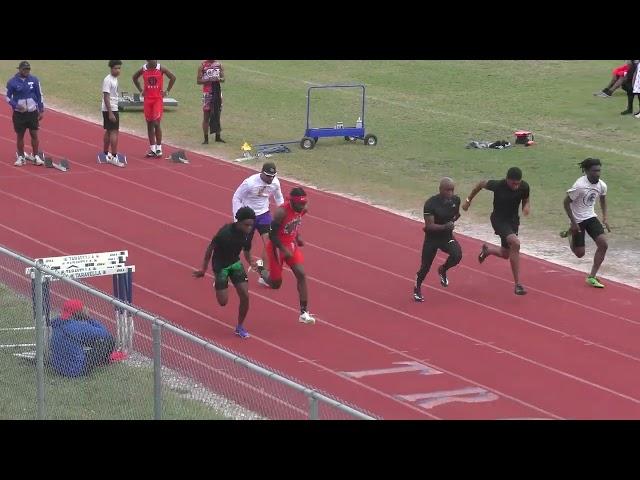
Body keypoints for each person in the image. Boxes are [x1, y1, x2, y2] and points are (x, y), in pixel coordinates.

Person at [462, 167, 531, 295]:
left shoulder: (524, 186)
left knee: (506, 254)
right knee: (515, 243)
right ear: (507, 180)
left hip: (513, 221)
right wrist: (468, 200)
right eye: (513, 183)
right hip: (499, 220)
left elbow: (525, 200)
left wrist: (526, 207)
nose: (516, 186)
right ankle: (518, 285)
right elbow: (481, 184)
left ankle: (488, 251)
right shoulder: (498, 185)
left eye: (518, 183)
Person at [193, 207, 257, 338]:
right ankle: (218, 281)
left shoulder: (248, 233)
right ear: (238, 222)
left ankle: (239, 327)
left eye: (252, 225)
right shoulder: (224, 233)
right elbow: (209, 250)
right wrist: (203, 269)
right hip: (221, 266)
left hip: (235, 263)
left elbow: (247, 251)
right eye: (247, 225)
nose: (250, 228)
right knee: (223, 302)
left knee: (245, 295)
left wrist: (255, 264)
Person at [255, 187, 316, 324]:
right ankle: (261, 269)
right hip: (277, 247)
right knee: (276, 284)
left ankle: (303, 312)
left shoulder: (303, 209)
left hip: (291, 245)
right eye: (299, 203)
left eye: (304, 203)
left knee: (301, 274)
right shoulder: (281, 212)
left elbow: (294, 224)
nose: (302, 206)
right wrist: (282, 248)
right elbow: (272, 235)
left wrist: (298, 237)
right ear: (291, 202)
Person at [561, 158, 609, 288]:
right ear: (587, 171)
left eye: (599, 170)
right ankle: (571, 234)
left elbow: (603, 200)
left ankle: (592, 277)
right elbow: (566, 203)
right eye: (594, 171)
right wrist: (573, 222)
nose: (598, 173)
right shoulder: (579, 186)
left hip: (590, 217)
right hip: (577, 220)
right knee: (579, 254)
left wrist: (605, 217)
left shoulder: (602, 185)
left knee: (603, 244)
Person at [413, 178, 463, 302]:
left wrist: (452, 221)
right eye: (447, 190)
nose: (450, 193)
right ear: (440, 189)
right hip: (432, 238)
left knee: (457, 255)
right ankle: (417, 288)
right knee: (425, 267)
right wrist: (446, 226)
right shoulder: (431, 204)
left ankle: (443, 269)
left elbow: (456, 214)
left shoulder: (456, 200)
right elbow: (429, 225)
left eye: (452, 190)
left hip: (446, 237)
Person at [232, 162, 285, 267]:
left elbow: (278, 197)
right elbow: (237, 197)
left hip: (264, 214)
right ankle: (251, 263)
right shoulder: (249, 183)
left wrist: (283, 212)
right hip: (248, 217)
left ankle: (264, 271)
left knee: (270, 243)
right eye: (268, 176)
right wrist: (237, 218)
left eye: (273, 176)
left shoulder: (275, 183)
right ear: (262, 173)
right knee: (246, 246)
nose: (271, 179)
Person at [49, 299, 116, 377]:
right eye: (83, 308)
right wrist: (89, 318)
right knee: (110, 339)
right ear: (77, 313)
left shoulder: (58, 322)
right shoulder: (79, 326)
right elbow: (105, 333)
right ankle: (103, 361)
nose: (85, 309)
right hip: (76, 370)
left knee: (83, 340)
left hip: (57, 367)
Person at [132, 60, 176, 157]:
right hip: (148, 100)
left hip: (157, 100)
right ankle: (152, 149)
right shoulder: (144, 69)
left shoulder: (160, 68)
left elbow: (173, 77)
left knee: (156, 122)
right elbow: (134, 78)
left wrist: (167, 91)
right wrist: (141, 90)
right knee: (149, 123)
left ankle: (159, 148)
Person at [5, 61, 45, 167]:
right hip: (19, 114)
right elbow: (8, 97)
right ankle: (21, 156)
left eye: (28, 69)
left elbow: (39, 95)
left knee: (34, 134)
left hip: (32, 113)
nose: (26, 71)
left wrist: (41, 110)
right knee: (20, 135)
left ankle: (36, 156)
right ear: (19, 69)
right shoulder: (12, 82)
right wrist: (16, 106)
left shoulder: (34, 80)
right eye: (24, 69)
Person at [197, 60, 225, 144]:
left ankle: (218, 137)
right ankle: (206, 139)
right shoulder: (202, 66)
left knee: (217, 113)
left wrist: (219, 79)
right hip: (207, 93)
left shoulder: (219, 65)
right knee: (206, 116)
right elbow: (198, 81)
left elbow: (223, 79)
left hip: (217, 92)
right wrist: (209, 80)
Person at [101, 60, 123, 164]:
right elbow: (106, 97)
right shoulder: (108, 80)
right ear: (111, 68)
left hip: (112, 108)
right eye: (116, 68)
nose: (118, 70)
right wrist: (110, 112)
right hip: (110, 108)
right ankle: (114, 156)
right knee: (114, 131)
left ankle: (105, 153)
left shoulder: (115, 79)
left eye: (119, 68)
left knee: (109, 131)